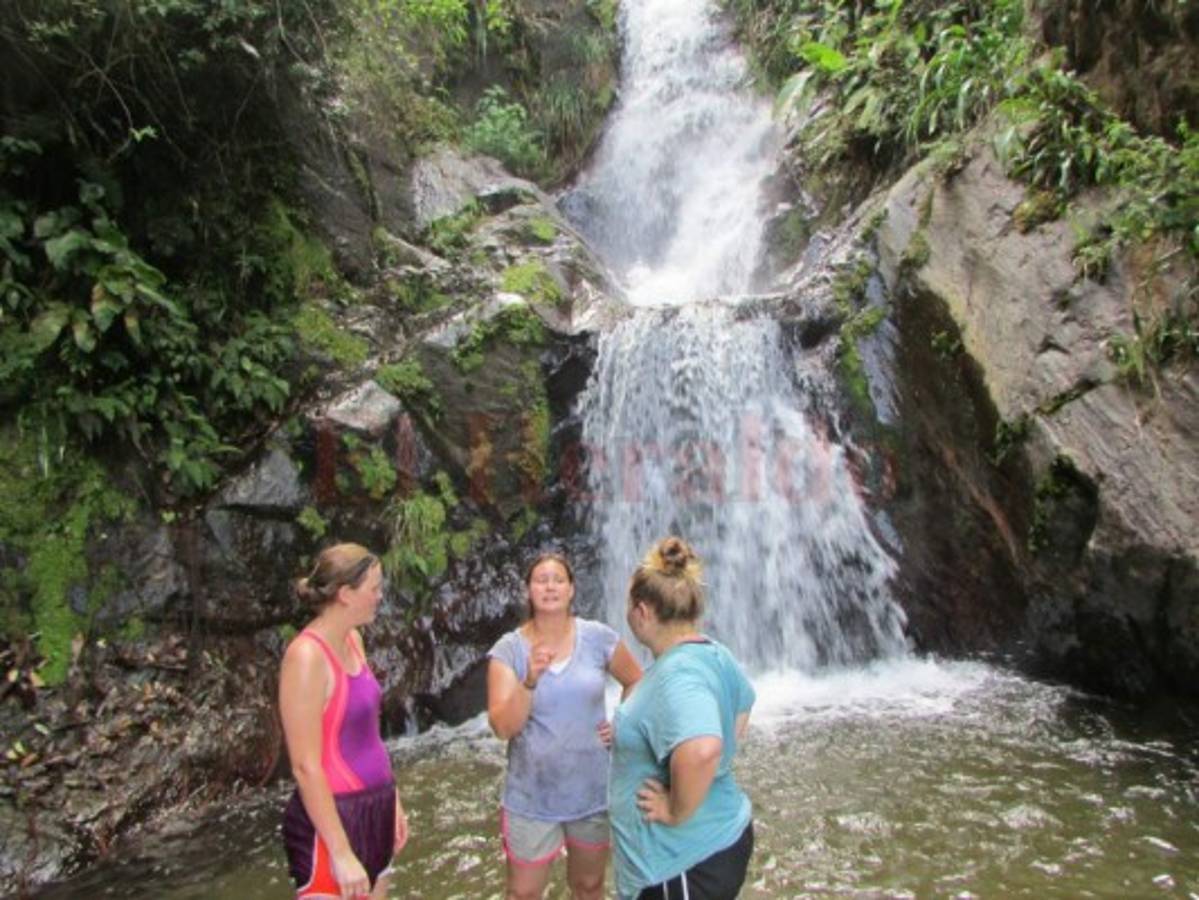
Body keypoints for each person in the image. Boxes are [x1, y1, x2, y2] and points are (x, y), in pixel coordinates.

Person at [487, 551, 643, 900]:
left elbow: (637, 680)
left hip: (591, 790)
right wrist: (529, 681)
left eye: (558, 579)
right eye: (541, 580)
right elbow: (502, 727)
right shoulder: (508, 650)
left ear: (572, 589)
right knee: (523, 892)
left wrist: (622, 723)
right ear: (528, 590)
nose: (550, 586)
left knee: (588, 886)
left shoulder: (599, 638)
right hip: (531, 795)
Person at [610, 536, 756, 900]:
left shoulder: (678, 674)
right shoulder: (712, 652)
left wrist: (676, 809)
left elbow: (703, 749)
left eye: (629, 605)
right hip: (713, 842)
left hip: (681, 864)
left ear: (642, 612)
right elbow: (742, 706)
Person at [279, 543, 408, 900]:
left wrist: (392, 798)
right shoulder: (306, 657)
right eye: (374, 588)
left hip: (376, 808)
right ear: (346, 594)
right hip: (331, 821)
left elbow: (369, 735)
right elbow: (305, 766)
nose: (380, 596)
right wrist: (340, 851)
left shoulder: (353, 640)